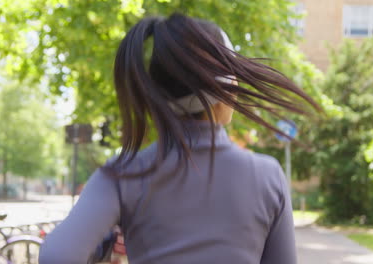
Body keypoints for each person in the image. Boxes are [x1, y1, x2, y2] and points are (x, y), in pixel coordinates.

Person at [39, 13, 321, 264]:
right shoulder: (267, 176)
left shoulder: (121, 175)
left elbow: (56, 256)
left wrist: (103, 244)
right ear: (226, 89)